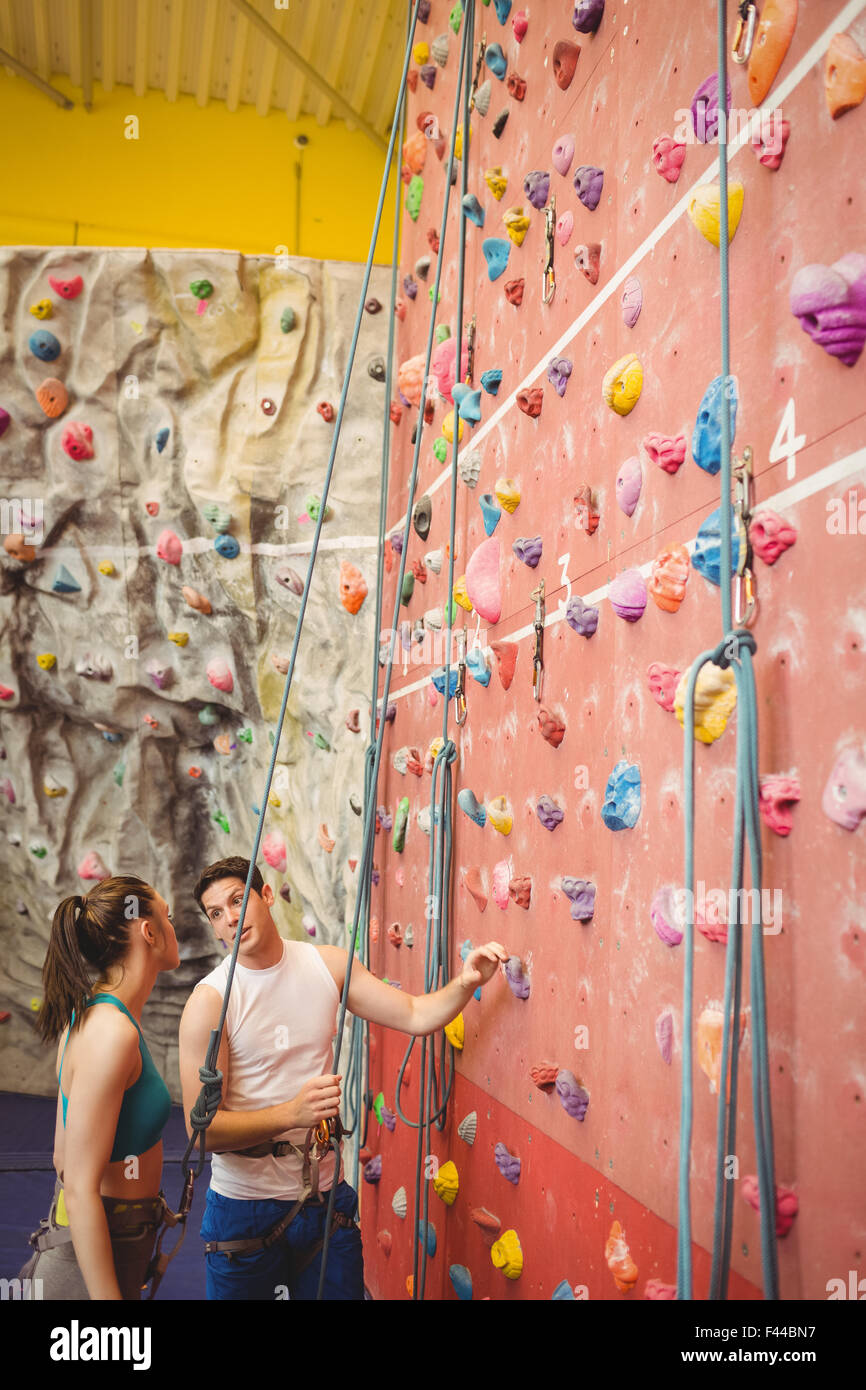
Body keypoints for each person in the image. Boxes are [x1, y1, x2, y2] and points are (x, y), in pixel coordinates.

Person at [179, 855, 507, 1301]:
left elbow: (413, 1013)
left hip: (325, 1198)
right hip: (244, 1206)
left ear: (267, 895)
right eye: (216, 913)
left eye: (239, 900)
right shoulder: (211, 1001)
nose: (231, 918)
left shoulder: (327, 966)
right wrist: (290, 1113)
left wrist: (466, 982)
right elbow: (203, 1133)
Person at [21, 876, 180, 1300]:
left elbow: (62, 1154)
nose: (173, 926)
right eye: (168, 916)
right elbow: (76, 1182)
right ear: (148, 930)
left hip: (114, 1247)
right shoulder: (110, 1032)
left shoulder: (98, 1015)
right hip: (86, 1265)